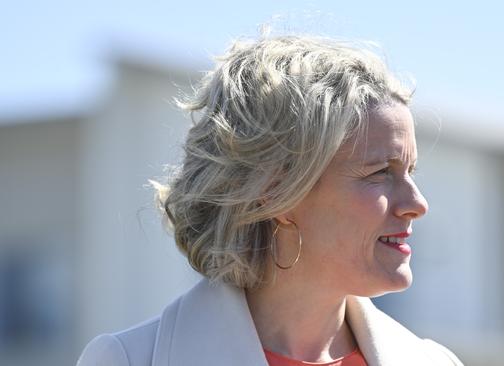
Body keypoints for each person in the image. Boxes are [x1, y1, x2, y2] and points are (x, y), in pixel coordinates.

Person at [77, 35, 463, 366]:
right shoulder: (129, 360)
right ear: (275, 190)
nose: (417, 203)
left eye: (410, 172)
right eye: (380, 172)